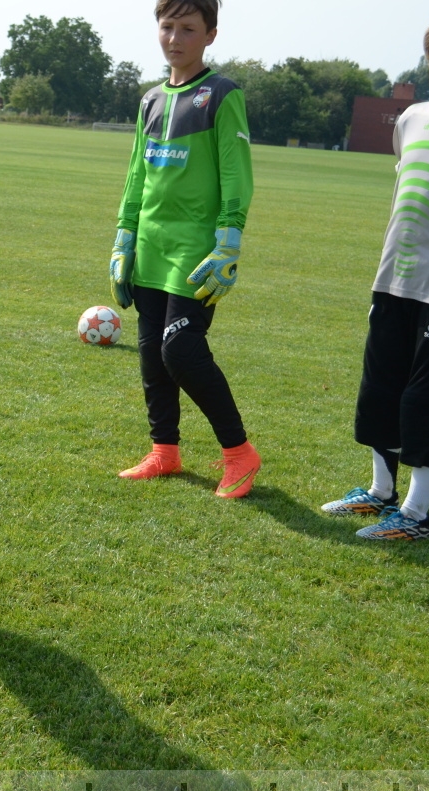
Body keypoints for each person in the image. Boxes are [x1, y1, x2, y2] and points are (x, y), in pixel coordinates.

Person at [321, 4, 429, 541]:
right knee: (381, 390)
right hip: (393, 278)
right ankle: (381, 492)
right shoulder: (412, 117)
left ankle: (416, 515)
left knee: (425, 400)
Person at [108, 0, 261, 498]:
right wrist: (124, 235)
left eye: (188, 29)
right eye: (167, 26)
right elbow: (137, 173)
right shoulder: (150, 99)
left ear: (210, 35)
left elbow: (237, 172)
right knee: (153, 355)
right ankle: (164, 452)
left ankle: (239, 453)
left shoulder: (222, 94)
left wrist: (229, 240)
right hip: (151, 247)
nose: (175, 38)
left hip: (197, 253)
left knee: (181, 350)